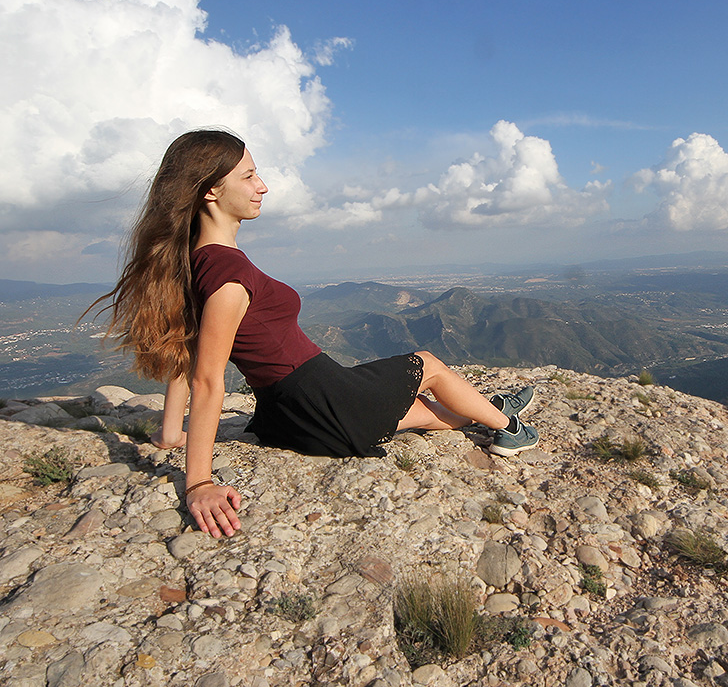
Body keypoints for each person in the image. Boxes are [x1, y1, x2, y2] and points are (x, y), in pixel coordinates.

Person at [89, 129, 538, 538]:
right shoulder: (229, 274)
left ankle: (486, 409)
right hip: (324, 396)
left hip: (289, 418)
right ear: (210, 190)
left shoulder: (197, 260)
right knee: (428, 365)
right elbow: (207, 379)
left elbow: (184, 351)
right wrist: (199, 483)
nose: (261, 186)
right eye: (248, 176)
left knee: (420, 411)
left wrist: (171, 434)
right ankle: (512, 429)